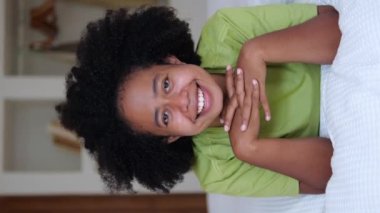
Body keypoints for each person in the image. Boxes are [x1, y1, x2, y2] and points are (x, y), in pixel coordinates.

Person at [56, 4, 340, 197]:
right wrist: (250, 148)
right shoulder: (216, 170)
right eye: (165, 118)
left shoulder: (225, 32)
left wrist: (257, 52)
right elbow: (331, 174)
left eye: (166, 83)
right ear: (169, 138)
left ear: (172, 60)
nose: (181, 102)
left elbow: (337, 27)